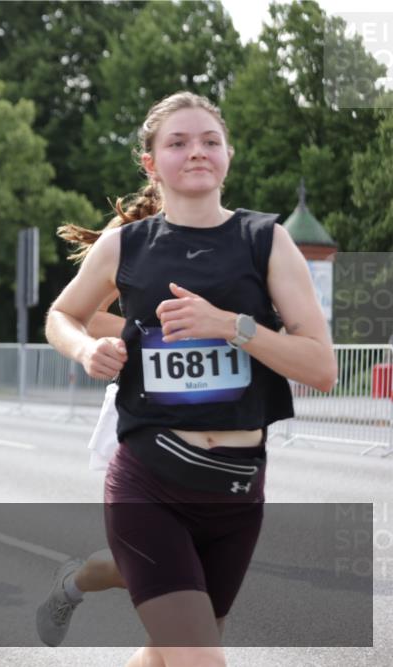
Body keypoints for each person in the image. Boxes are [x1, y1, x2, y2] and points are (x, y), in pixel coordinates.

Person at [41, 92, 336, 667]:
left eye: (209, 141)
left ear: (228, 154)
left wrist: (232, 326)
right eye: (177, 143)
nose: (196, 152)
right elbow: (61, 315)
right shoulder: (125, 244)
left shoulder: (266, 240)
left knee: (165, 655)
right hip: (148, 481)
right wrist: (85, 349)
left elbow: (321, 367)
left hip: (236, 490)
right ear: (151, 163)